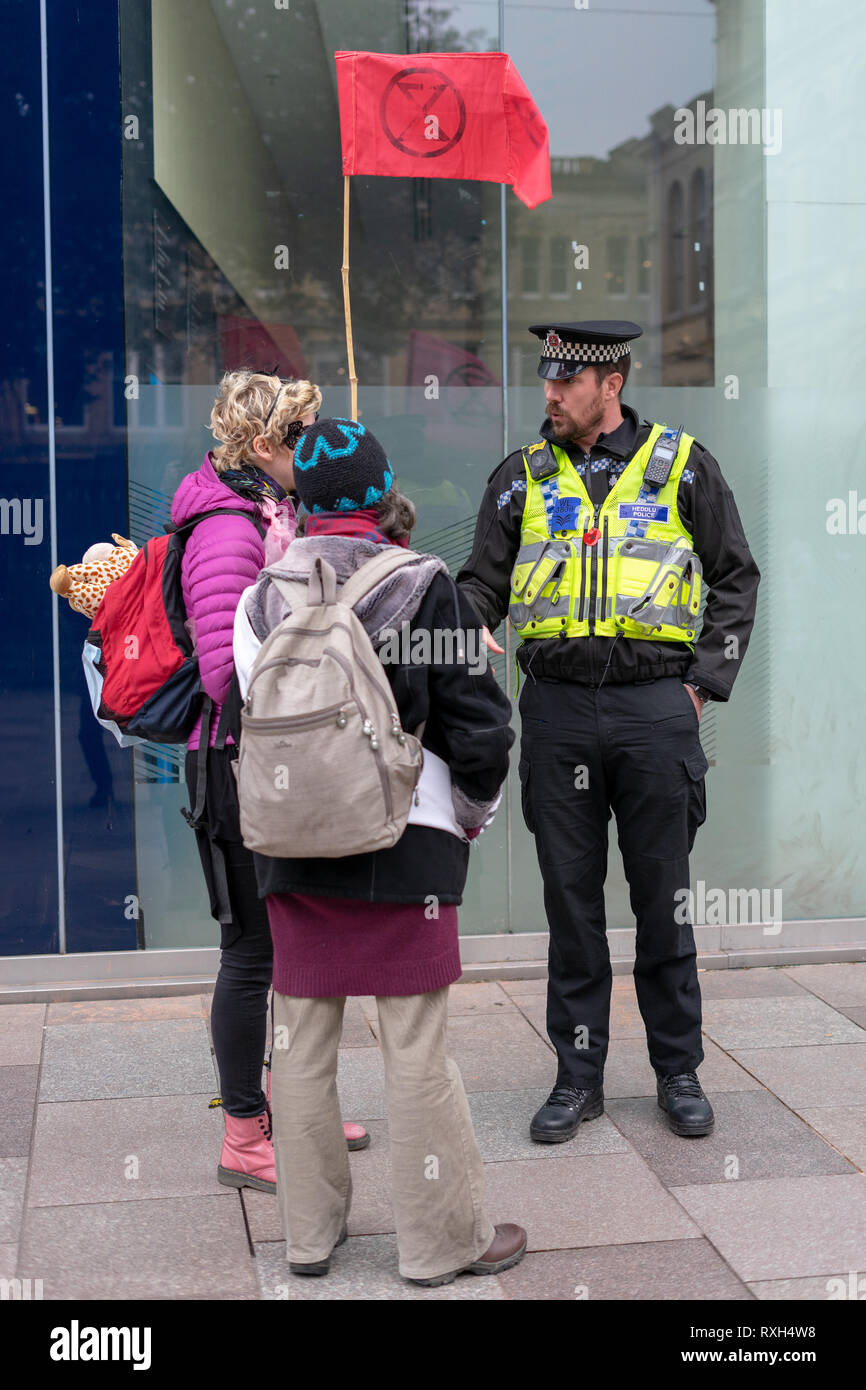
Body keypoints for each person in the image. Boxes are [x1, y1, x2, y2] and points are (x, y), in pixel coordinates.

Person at [233, 416, 527, 1285]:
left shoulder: (261, 597)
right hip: (409, 847)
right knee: (416, 1049)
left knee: (302, 1046)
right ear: (385, 494)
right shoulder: (426, 585)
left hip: (292, 848)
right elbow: (480, 727)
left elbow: (249, 709)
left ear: (304, 502)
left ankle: (310, 1238)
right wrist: (472, 814)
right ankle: (441, 1244)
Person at [456, 322, 760, 1143]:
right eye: (547, 382)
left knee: (664, 899)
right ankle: (577, 1077)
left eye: (565, 384)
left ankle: (678, 1070)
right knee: (571, 904)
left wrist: (703, 685)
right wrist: (470, 620)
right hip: (556, 711)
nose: (549, 397)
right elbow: (479, 581)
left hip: (655, 708)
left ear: (609, 384)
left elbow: (736, 577)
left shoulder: (683, 465)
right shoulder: (520, 479)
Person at [171, 372, 369, 1197]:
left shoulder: (270, 511)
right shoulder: (224, 527)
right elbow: (226, 674)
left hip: (269, 760)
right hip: (234, 764)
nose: (315, 450)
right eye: (302, 437)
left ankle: (293, 1110)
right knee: (251, 953)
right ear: (262, 448)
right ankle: (245, 1134)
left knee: (288, 944)